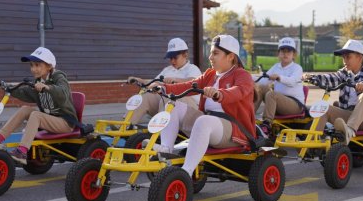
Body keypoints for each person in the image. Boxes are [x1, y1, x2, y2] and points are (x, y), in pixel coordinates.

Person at [150, 34, 255, 178]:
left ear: (231, 56)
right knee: (172, 105)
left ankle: (185, 173)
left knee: (203, 120)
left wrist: (220, 93)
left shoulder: (242, 75)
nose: (210, 57)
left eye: (215, 53)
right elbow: (188, 86)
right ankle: (166, 149)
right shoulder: (210, 74)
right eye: (211, 52)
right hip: (209, 124)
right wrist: (163, 88)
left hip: (235, 131)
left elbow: (238, 91)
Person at [0, 47, 78, 165]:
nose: (33, 69)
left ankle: (22, 152)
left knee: (36, 115)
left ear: (49, 66)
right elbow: (25, 92)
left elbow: (63, 92)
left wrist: (48, 87)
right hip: (50, 120)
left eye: (37, 65)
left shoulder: (58, 77)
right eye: (32, 65)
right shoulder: (38, 81)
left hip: (65, 122)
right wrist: (5, 86)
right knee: (25, 109)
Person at [305, 40, 363, 145]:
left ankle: (349, 131)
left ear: (359, 57)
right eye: (343, 57)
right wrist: (312, 78)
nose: (344, 61)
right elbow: (331, 78)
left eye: (348, 57)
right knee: (324, 108)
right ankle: (311, 143)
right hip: (350, 115)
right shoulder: (344, 73)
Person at [126, 38, 202, 126]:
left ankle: (159, 129)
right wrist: (138, 80)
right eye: (170, 58)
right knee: (145, 96)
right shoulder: (167, 70)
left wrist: (175, 80)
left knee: (169, 96)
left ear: (185, 54)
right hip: (168, 104)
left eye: (175, 57)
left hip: (190, 108)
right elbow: (152, 83)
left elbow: (193, 82)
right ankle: (126, 125)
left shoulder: (193, 68)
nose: (172, 61)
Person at [254, 37, 305, 137]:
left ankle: (266, 125)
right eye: (283, 51)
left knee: (272, 94)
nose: (285, 54)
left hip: (295, 105)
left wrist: (279, 77)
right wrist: (249, 79)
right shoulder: (276, 67)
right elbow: (263, 80)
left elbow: (292, 81)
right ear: (278, 54)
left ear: (294, 54)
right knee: (260, 88)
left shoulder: (297, 68)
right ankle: (248, 118)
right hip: (278, 101)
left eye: (288, 51)